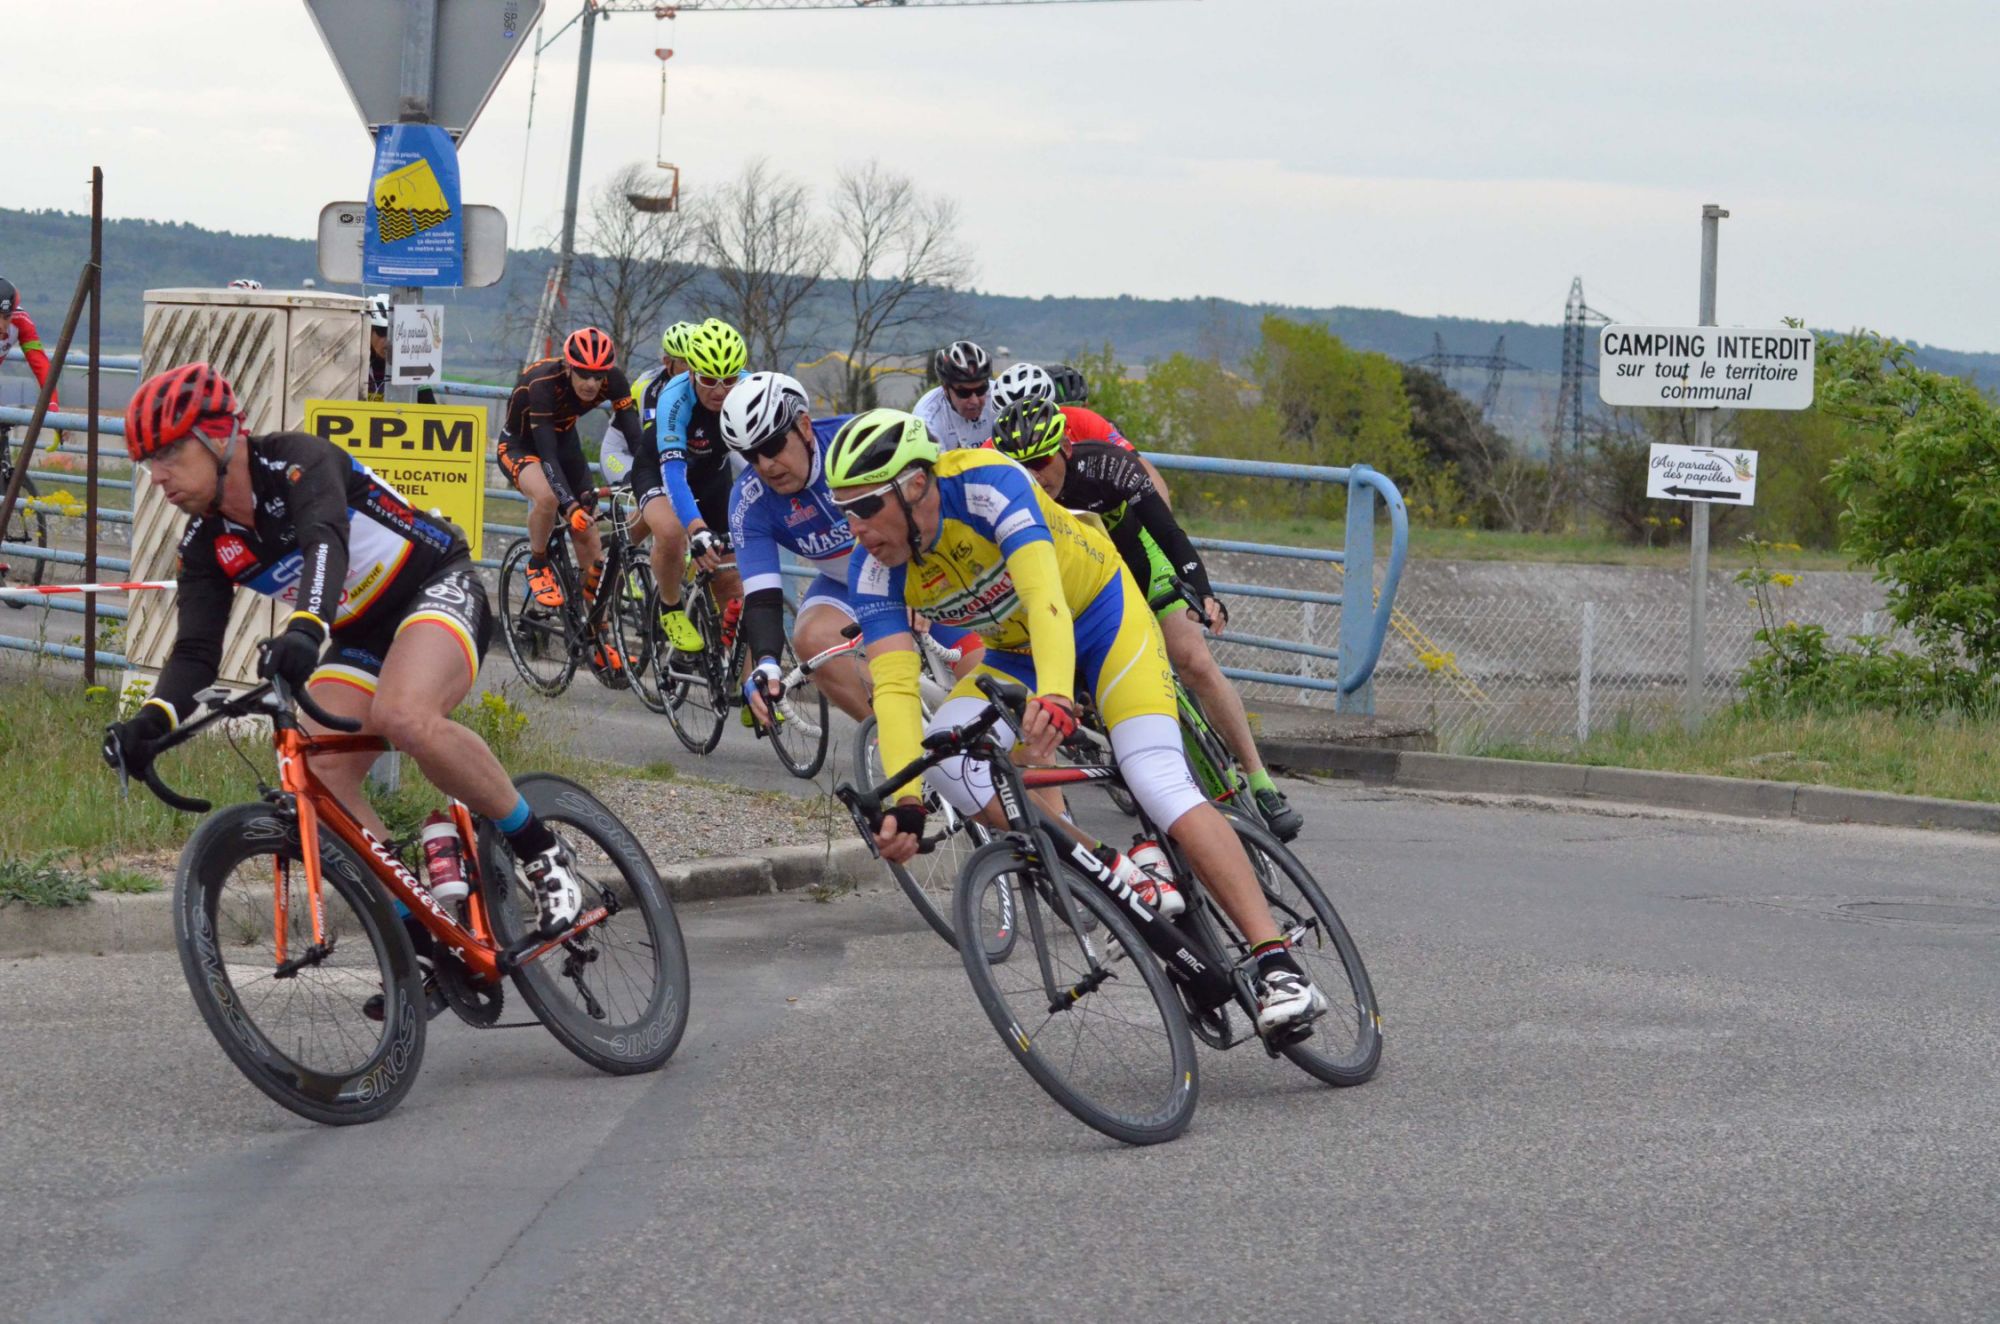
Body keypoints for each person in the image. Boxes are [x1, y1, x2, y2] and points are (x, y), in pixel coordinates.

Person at [827, 409, 1329, 1035]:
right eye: (844, 511)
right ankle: (1113, 872)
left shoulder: (987, 484)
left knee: (1155, 779)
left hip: (1102, 618)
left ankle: (1279, 964)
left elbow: (1046, 599)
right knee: (945, 755)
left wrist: (1058, 696)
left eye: (866, 506)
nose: (856, 527)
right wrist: (905, 803)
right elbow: (896, 689)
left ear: (916, 485)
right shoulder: (874, 570)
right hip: (1016, 654)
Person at [102, 362, 586, 939]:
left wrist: (305, 631)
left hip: (433, 584)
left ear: (219, 435)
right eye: (147, 461)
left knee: (404, 715)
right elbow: (195, 652)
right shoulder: (207, 541)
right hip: (362, 634)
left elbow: (324, 543)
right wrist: (152, 722)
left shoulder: (297, 461)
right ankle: (417, 936)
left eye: (169, 453)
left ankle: (540, 849)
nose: (157, 475)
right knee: (313, 771)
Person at [990, 398, 1303, 839]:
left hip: (1140, 563)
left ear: (1065, 449)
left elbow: (1167, 532)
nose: (1034, 475)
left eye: (1041, 461)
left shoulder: (1107, 467)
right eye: (1020, 466)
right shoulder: (1005, 497)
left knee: (1193, 660)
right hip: (1086, 594)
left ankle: (1260, 779)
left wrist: (1204, 592)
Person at [720, 371, 873, 728]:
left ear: (804, 426)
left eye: (773, 446)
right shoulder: (750, 501)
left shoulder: (855, 441)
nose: (765, 465)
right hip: (844, 582)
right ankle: (910, 744)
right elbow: (763, 598)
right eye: (751, 455)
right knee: (810, 639)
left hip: (914, 569)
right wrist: (767, 663)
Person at [496, 326, 640, 679]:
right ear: (569, 367)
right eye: (584, 374)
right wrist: (570, 506)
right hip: (521, 446)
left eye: (598, 375)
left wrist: (648, 475)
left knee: (591, 546)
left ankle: (597, 636)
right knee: (547, 498)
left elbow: (634, 434)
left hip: (564, 442)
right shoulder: (542, 384)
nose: (591, 383)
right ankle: (537, 562)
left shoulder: (614, 381)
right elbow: (546, 457)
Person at [630, 317, 748, 655]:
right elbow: (673, 475)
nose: (720, 390)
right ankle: (670, 608)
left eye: (729, 380)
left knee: (731, 582)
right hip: (659, 469)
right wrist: (696, 529)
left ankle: (742, 680)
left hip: (712, 475)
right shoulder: (674, 397)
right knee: (670, 532)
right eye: (709, 379)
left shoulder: (749, 388)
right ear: (692, 372)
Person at [910, 340, 996, 451]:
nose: (974, 401)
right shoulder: (927, 417)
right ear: (945, 388)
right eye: (964, 392)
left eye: (981, 389)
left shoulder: (1000, 396)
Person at [0, 278, 59, 416]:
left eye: (6, 317)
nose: (1, 325)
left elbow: (40, 362)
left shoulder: (21, 321)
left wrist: (52, 404)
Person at [364, 294, 391, 399]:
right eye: (382, 331)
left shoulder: (409, 370)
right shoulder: (356, 366)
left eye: (395, 333)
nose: (388, 340)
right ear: (368, 330)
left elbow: (430, 404)